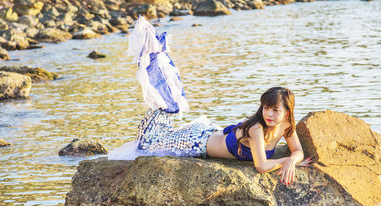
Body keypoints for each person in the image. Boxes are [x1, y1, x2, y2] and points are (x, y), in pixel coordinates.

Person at [109, 17, 312, 186]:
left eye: (275, 110)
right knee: (147, 144)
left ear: (287, 112)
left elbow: (298, 151)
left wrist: (293, 161)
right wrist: (285, 161)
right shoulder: (258, 129)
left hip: (213, 133)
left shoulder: (287, 126)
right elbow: (262, 167)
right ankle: (154, 57)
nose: (269, 114)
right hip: (196, 142)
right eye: (266, 108)